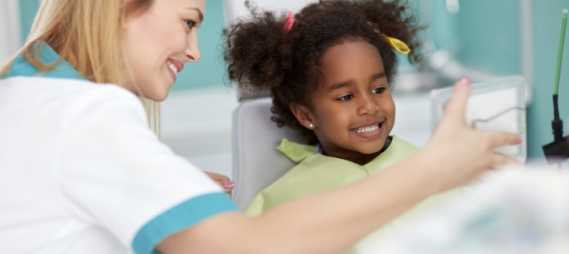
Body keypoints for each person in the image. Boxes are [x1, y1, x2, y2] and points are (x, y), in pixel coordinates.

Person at [0, 0, 520, 253]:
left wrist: (157, 188)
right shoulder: (84, 115)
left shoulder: (30, 98)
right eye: (188, 20)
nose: (193, 49)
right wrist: (433, 170)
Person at [223, 0, 427, 218]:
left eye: (378, 89)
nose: (370, 106)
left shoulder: (429, 167)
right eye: (346, 97)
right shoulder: (286, 201)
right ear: (305, 115)